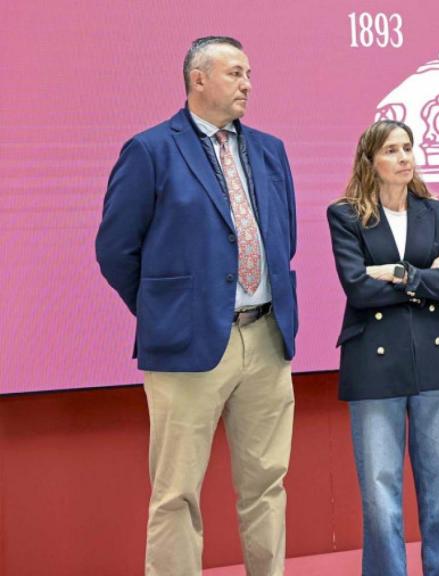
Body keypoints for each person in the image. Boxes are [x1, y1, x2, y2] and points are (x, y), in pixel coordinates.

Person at [95, 36, 298, 575]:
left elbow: (285, 238)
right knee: (176, 494)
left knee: (266, 485)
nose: (247, 84)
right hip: (186, 345)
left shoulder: (269, 150)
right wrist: (168, 309)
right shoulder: (150, 149)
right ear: (198, 79)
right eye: (235, 73)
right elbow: (116, 249)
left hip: (266, 336)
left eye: (249, 73)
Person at [327, 120, 439, 576]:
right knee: (381, 495)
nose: (404, 157)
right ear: (370, 160)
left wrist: (400, 274)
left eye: (408, 148)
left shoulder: (435, 211)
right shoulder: (346, 215)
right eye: (392, 150)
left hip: (435, 358)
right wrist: (426, 277)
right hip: (373, 362)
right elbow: (358, 290)